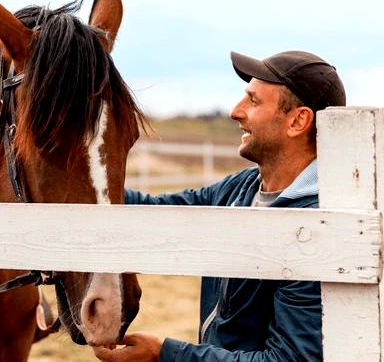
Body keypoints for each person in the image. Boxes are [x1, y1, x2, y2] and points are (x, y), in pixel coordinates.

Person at [93, 50, 346, 362]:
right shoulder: (240, 189)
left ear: (298, 120)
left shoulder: (314, 227)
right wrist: (78, 181)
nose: (235, 112)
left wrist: (165, 354)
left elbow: (289, 360)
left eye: (253, 101)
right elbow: (154, 211)